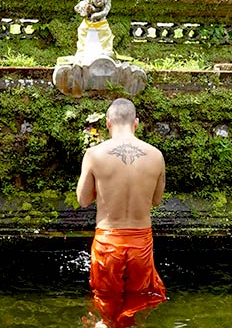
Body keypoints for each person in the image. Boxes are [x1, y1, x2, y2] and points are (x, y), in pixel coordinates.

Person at [76, 98, 167, 327]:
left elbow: (83, 200)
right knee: (137, 307)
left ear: (108, 123)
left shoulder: (94, 154)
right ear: (135, 123)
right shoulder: (156, 156)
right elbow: (156, 201)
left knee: (106, 309)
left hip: (108, 242)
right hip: (141, 243)